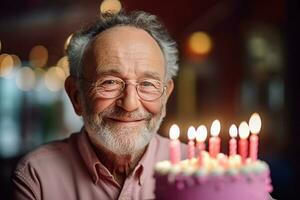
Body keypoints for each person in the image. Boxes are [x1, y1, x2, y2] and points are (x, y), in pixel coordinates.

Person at [12, 10, 187, 200]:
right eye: (109, 82)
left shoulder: (202, 169)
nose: (129, 104)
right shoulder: (37, 176)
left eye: (147, 84)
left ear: (165, 96)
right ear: (76, 95)